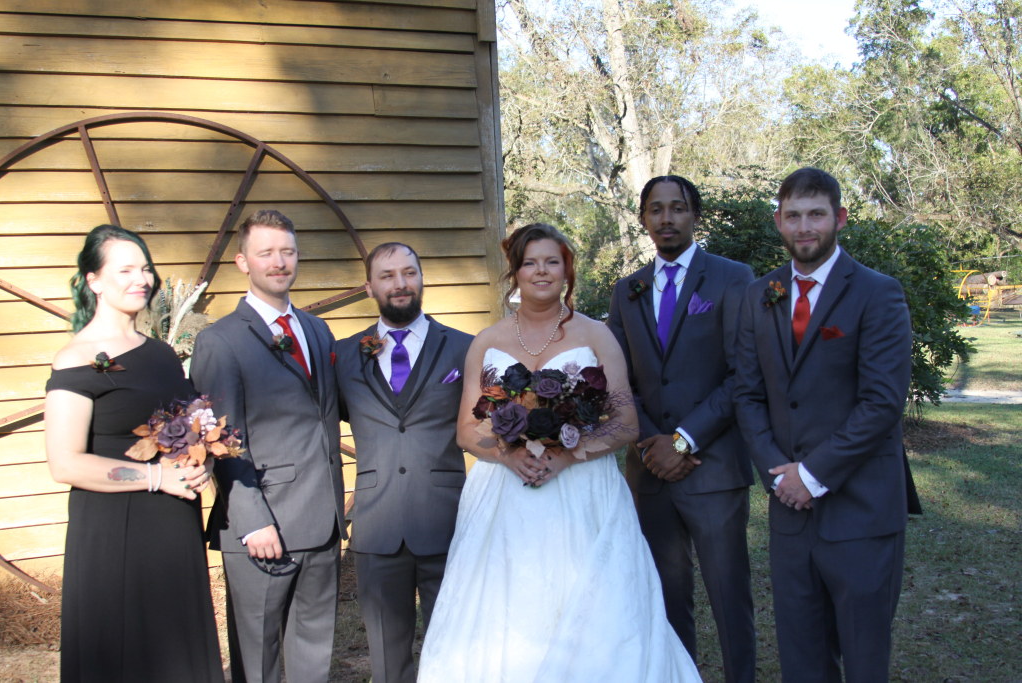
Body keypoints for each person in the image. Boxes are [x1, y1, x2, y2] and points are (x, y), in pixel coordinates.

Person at [418, 223, 701, 682]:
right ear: (515, 272)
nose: (541, 271)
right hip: (504, 493)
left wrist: (568, 455)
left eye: (552, 261)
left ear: (567, 270)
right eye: (530, 263)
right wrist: (508, 455)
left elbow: (625, 422)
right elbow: (467, 431)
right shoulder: (486, 342)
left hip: (582, 488)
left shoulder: (596, 335)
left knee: (595, 603)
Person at [733, 167, 912, 682]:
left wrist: (810, 476)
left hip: (861, 511)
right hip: (790, 512)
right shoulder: (760, 294)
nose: (804, 226)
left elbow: (881, 403)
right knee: (802, 658)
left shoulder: (878, 293)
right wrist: (778, 474)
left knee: (863, 657)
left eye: (816, 214)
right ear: (778, 221)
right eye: (793, 216)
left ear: (840, 218)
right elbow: (747, 394)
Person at [44, 224, 222, 682]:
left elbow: (189, 429)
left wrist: (201, 464)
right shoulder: (75, 359)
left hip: (173, 527)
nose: (141, 279)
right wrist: (157, 478)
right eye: (124, 270)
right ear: (94, 280)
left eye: (144, 268)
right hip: (116, 532)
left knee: (176, 654)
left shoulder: (161, 354)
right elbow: (64, 462)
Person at [607, 175, 757, 682]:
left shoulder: (733, 278)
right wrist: (652, 442)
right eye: (656, 209)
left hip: (712, 467)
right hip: (650, 470)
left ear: (694, 215)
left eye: (677, 208)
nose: (666, 218)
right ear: (643, 218)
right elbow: (617, 378)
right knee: (667, 601)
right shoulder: (627, 290)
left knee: (729, 597)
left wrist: (682, 440)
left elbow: (743, 373)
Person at [190, 210, 344, 683]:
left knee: (313, 656)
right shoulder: (220, 342)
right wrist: (252, 519)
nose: (279, 262)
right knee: (258, 661)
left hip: (322, 520)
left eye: (287, 252)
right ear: (243, 262)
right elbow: (221, 441)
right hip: (264, 524)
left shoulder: (316, 330)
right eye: (266, 253)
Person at [334, 242, 472, 683]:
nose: (400, 284)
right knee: (387, 661)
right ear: (369, 286)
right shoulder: (343, 356)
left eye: (409, 273)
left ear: (422, 277)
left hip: (447, 520)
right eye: (388, 275)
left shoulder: (464, 348)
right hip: (377, 526)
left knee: (453, 653)